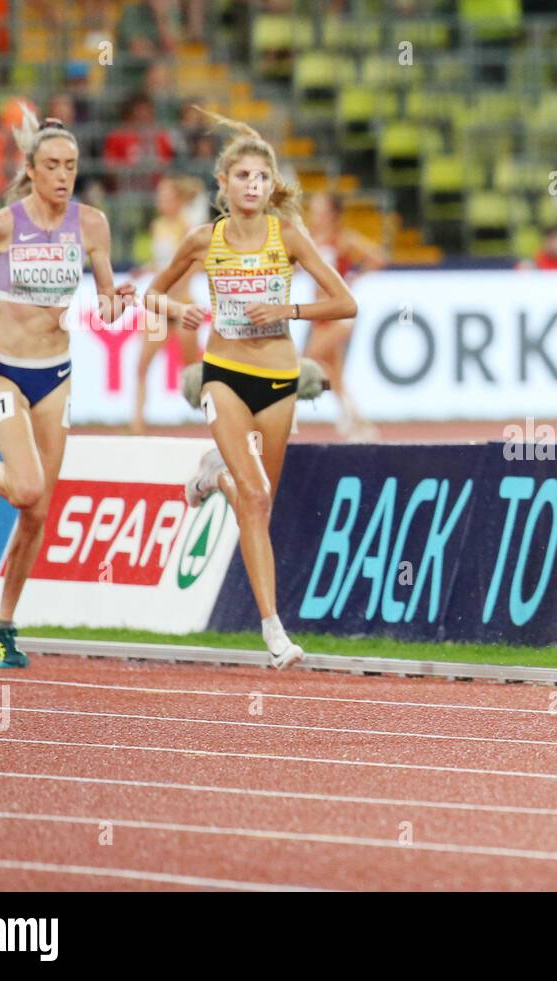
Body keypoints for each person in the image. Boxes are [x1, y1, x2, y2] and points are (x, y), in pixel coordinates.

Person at [144, 110, 357, 669]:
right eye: (243, 177)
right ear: (223, 184)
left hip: (280, 379)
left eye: (262, 178)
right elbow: (150, 295)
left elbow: (345, 303)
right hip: (225, 373)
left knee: (259, 504)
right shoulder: (201, 240)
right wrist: (179, 308)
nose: (253, 186)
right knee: (257, 496)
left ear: (270, 186)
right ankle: (274, 631)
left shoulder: (288, 236)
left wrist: (288, 307)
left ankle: (214, 476)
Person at [0, 109, 134, 668]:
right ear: (32, 169)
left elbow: (109, 302)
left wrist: (120, 301)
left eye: (70, 165)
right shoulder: (2, 225)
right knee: (24, 489)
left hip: (57, 377)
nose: (63, 176)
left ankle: (3, 624)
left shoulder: (92, 224)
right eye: (52, 166)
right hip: (6, 372)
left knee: (38, 511)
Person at [298, 191, 384, 441]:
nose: (316, 216)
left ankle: (348, 419)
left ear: (333, 214)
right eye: (314, 210)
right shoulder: (310, 240)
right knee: (335, 375)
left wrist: (353, 279)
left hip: (338, 314)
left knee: (309, 359)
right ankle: (356, 422)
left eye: (321, 211)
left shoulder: (343, 239)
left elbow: (377, 256)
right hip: (320, 314)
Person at [132, 175, 204, 434]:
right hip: (160, 307)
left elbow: (194, 265)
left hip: (182, 305)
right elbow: (163, 264)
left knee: (192, 369)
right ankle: (137, 425)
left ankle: (213, 419)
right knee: (142, 365)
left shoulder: (189, 229)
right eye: (159, 196)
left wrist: (176, 292)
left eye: (166, 196)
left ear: (178, 200)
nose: (161, 201)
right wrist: (145, 270)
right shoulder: (158, 226)